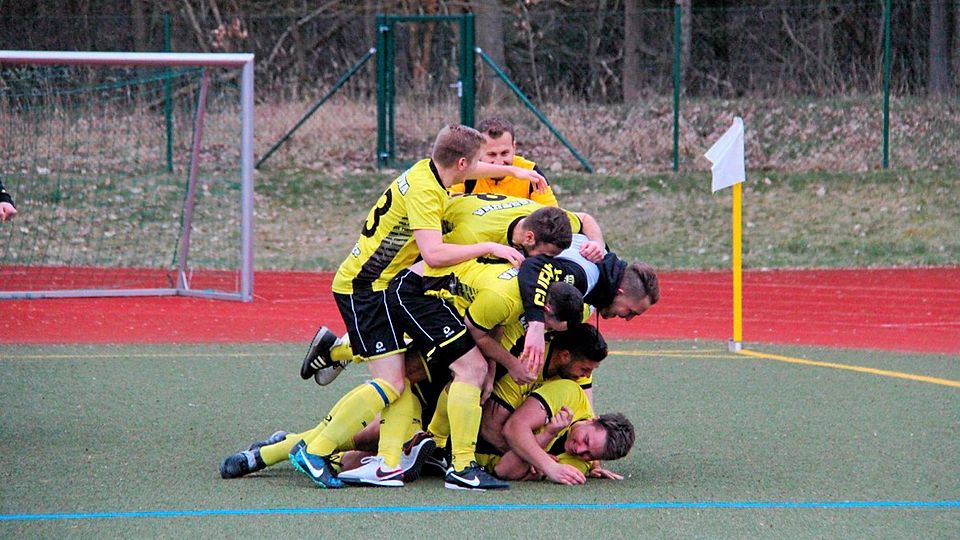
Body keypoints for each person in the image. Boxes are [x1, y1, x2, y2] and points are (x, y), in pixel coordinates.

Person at [284, 124, 547, 490]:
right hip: (364, 288)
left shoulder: (432, 169)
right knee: (390, 383)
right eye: (474, 165)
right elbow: (434, 254)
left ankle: (385, 462)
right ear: (460, 162)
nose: (478, 171)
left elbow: (474, 169)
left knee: (396, 383)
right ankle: (314, 449)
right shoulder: (426, 191)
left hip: (383, 286)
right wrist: (489, 247)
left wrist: (514, 171)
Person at [303, 196, 605, 387]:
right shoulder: (474, 235)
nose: (545, 263)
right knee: (422, 344)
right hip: (416, 258)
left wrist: (597, 245)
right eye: (545, 255)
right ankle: (342, 350)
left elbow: (586, 219)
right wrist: (497, 364)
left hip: (455, 262)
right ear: (528, 237)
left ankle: (338, 348)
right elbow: (435, 260)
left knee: (452, 338)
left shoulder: (540, 217)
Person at [448, 117, 559, 207]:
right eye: (492, 154)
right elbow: (449, 206)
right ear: (478, 152)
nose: (499, 162)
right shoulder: (465, 172)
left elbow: (552, 216)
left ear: (514, 147)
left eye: (505, 153)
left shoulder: (530, 172)